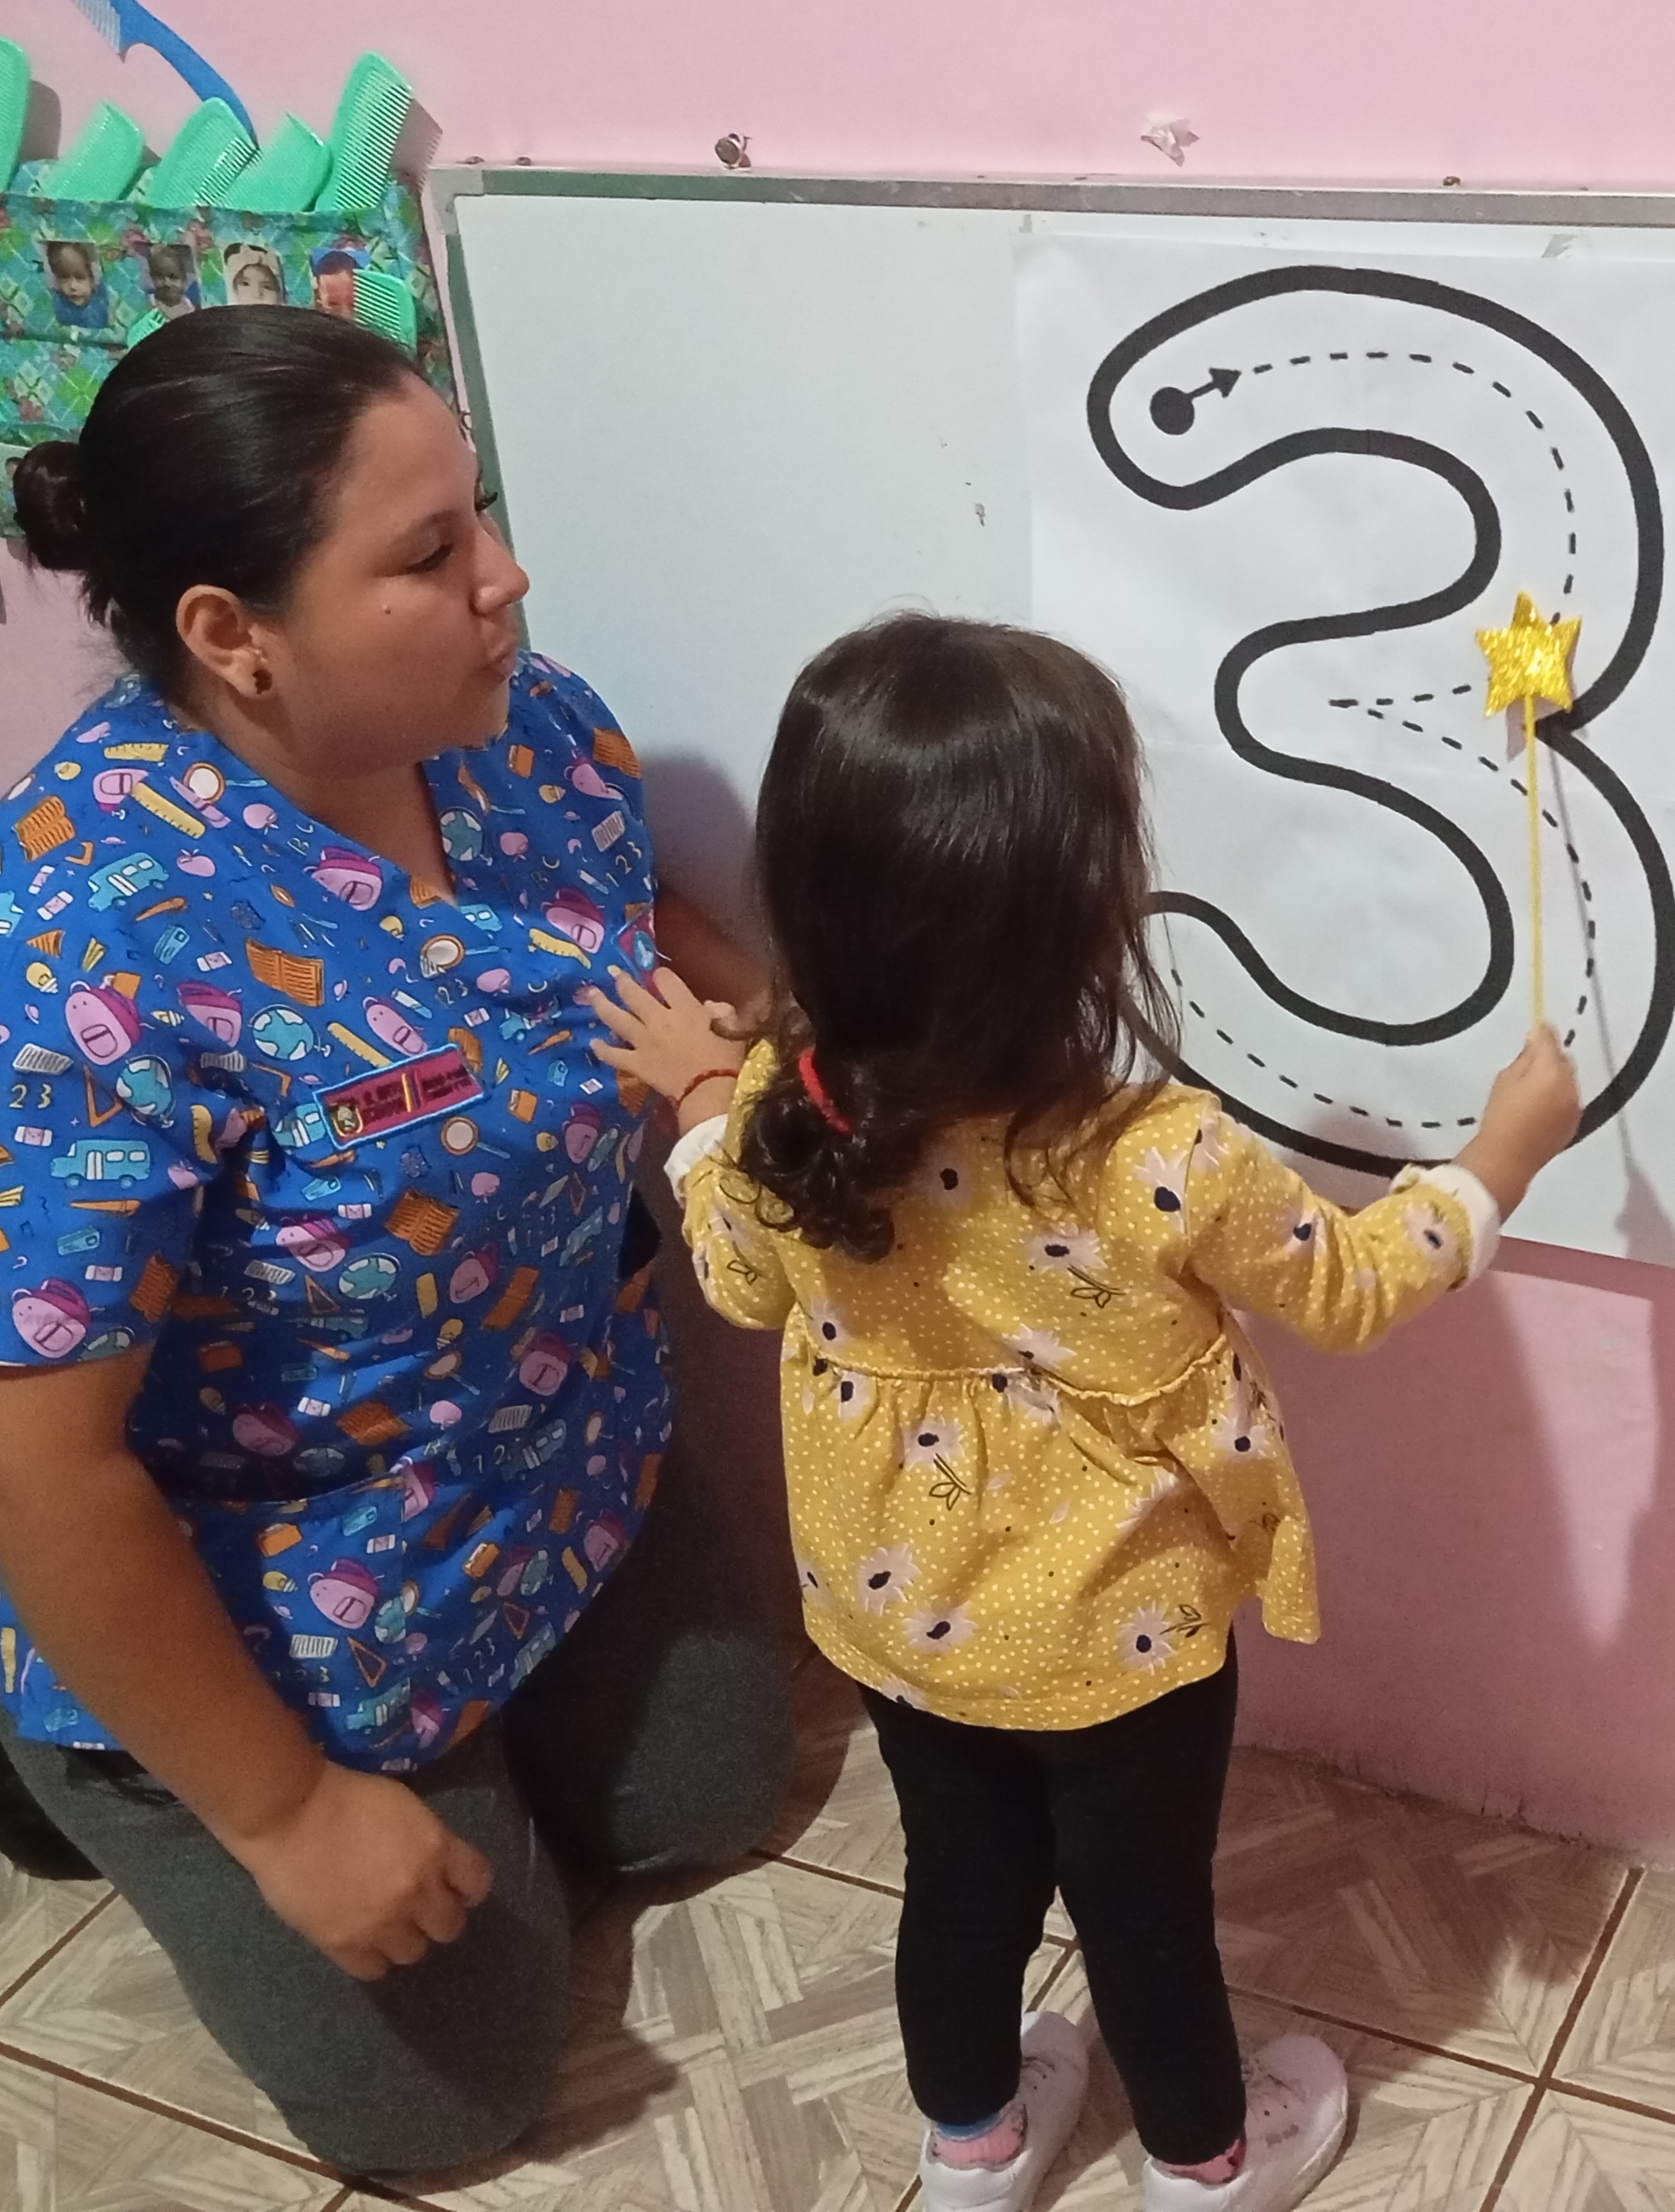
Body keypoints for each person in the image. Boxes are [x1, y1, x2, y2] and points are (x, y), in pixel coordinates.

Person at [0, 307, 791, 2178]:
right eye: (431, 551)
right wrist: (289, 1815)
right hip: (280, 1577)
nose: (503, 577)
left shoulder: (515, 719)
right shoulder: (53, 955)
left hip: (552, 1442)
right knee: (444, 2104)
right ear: (234, 633)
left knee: (704, 1802)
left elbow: (629, 911)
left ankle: (477, 1755)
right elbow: (17, 1453)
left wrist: (771, 1030)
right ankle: (83, 1758)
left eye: (483, 513)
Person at [589, 616, 1583, 2212]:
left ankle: (972, 2149)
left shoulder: (788, 1109)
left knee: (957, 1890)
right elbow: (1347, 1287)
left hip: (905, 1619)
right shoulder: (1159, 1155)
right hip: (1126, 1638)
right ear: (1083, 919)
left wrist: (705, 1099)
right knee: (1143, 1914)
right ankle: (1204, 2164)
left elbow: (737, 1280)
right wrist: (1496, 1163)